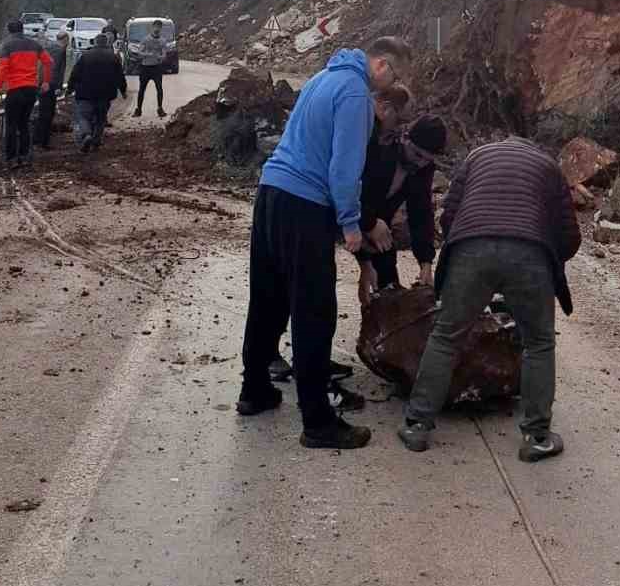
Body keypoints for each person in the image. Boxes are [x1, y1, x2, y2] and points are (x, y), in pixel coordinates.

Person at [237, 35, 412, 450]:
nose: (392, 85)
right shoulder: (354, 94)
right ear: (382, 65)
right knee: (314, 309)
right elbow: (344, 168)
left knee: (268, 298)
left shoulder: (322, 77)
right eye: (395, 76)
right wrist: (351, 224)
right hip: (304, 204)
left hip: (271, 193)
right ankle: (317, 421)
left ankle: (254, 390)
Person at [398, 136, 580, 463]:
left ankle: (417, 426)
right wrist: (548, 260)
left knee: (446, 336)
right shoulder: (548, 166)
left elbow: (448, 216)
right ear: (533, 147)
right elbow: (569, 234)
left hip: (472, 247)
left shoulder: (476, 157)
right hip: (529, 251)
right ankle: (537, 437)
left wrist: (466, 251)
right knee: (538, 343)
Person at [358, 111, 446, 304]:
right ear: (405, 138)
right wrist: (369, 226)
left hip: (380, 223)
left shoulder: (423, 168)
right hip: (343, 211)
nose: (419, 163)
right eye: (417, 154)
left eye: (427, 159)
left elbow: (420, 213)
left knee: (388, 287)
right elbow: (348, 192)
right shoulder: (378, 148)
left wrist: (425, 262)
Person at [0, 18, 53, 169]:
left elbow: (3, 67)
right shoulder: (34, 44)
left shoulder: (7, 46)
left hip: (14, 89)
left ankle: (11, 158)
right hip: (31, 89)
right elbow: (48, 62)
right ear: (22, 29)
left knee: (11, 125)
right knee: (24, 124)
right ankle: (25, 156)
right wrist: (46, 81)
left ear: (9, 31)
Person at [67, 30, 127, 152]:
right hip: (105, 94)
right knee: (100, 118)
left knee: (83, 116)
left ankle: (86, 134)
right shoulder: (113, 57)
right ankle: (96, 141)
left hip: (85, 93)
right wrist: (123, 90)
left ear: (95, 42)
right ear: (106, 43)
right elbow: (119, 76)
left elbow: (75, 73)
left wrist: (70, 88)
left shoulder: (85, 56)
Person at [32, 28, 70, 150]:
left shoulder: (48, 47)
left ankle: (37, 140)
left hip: (41, 83)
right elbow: (57, 70)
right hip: (50, 85)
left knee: (43, 113)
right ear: (65, 40)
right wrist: (57, 86)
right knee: (47, 114)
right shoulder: (60, 51)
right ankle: (42, 142)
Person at [132, 20, 169, 118]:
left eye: (159, 27)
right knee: (142, 89)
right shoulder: (146, 39)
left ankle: (160, 108)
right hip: (145, 68)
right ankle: (138, 109)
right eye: (156, 26)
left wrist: (161, 57)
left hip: (156, 68)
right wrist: (148, 54)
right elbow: (139, 53)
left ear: (161, 29)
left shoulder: (163, 41)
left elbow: (164, 54)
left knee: (159, 88)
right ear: (152, 27)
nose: (157, 29)